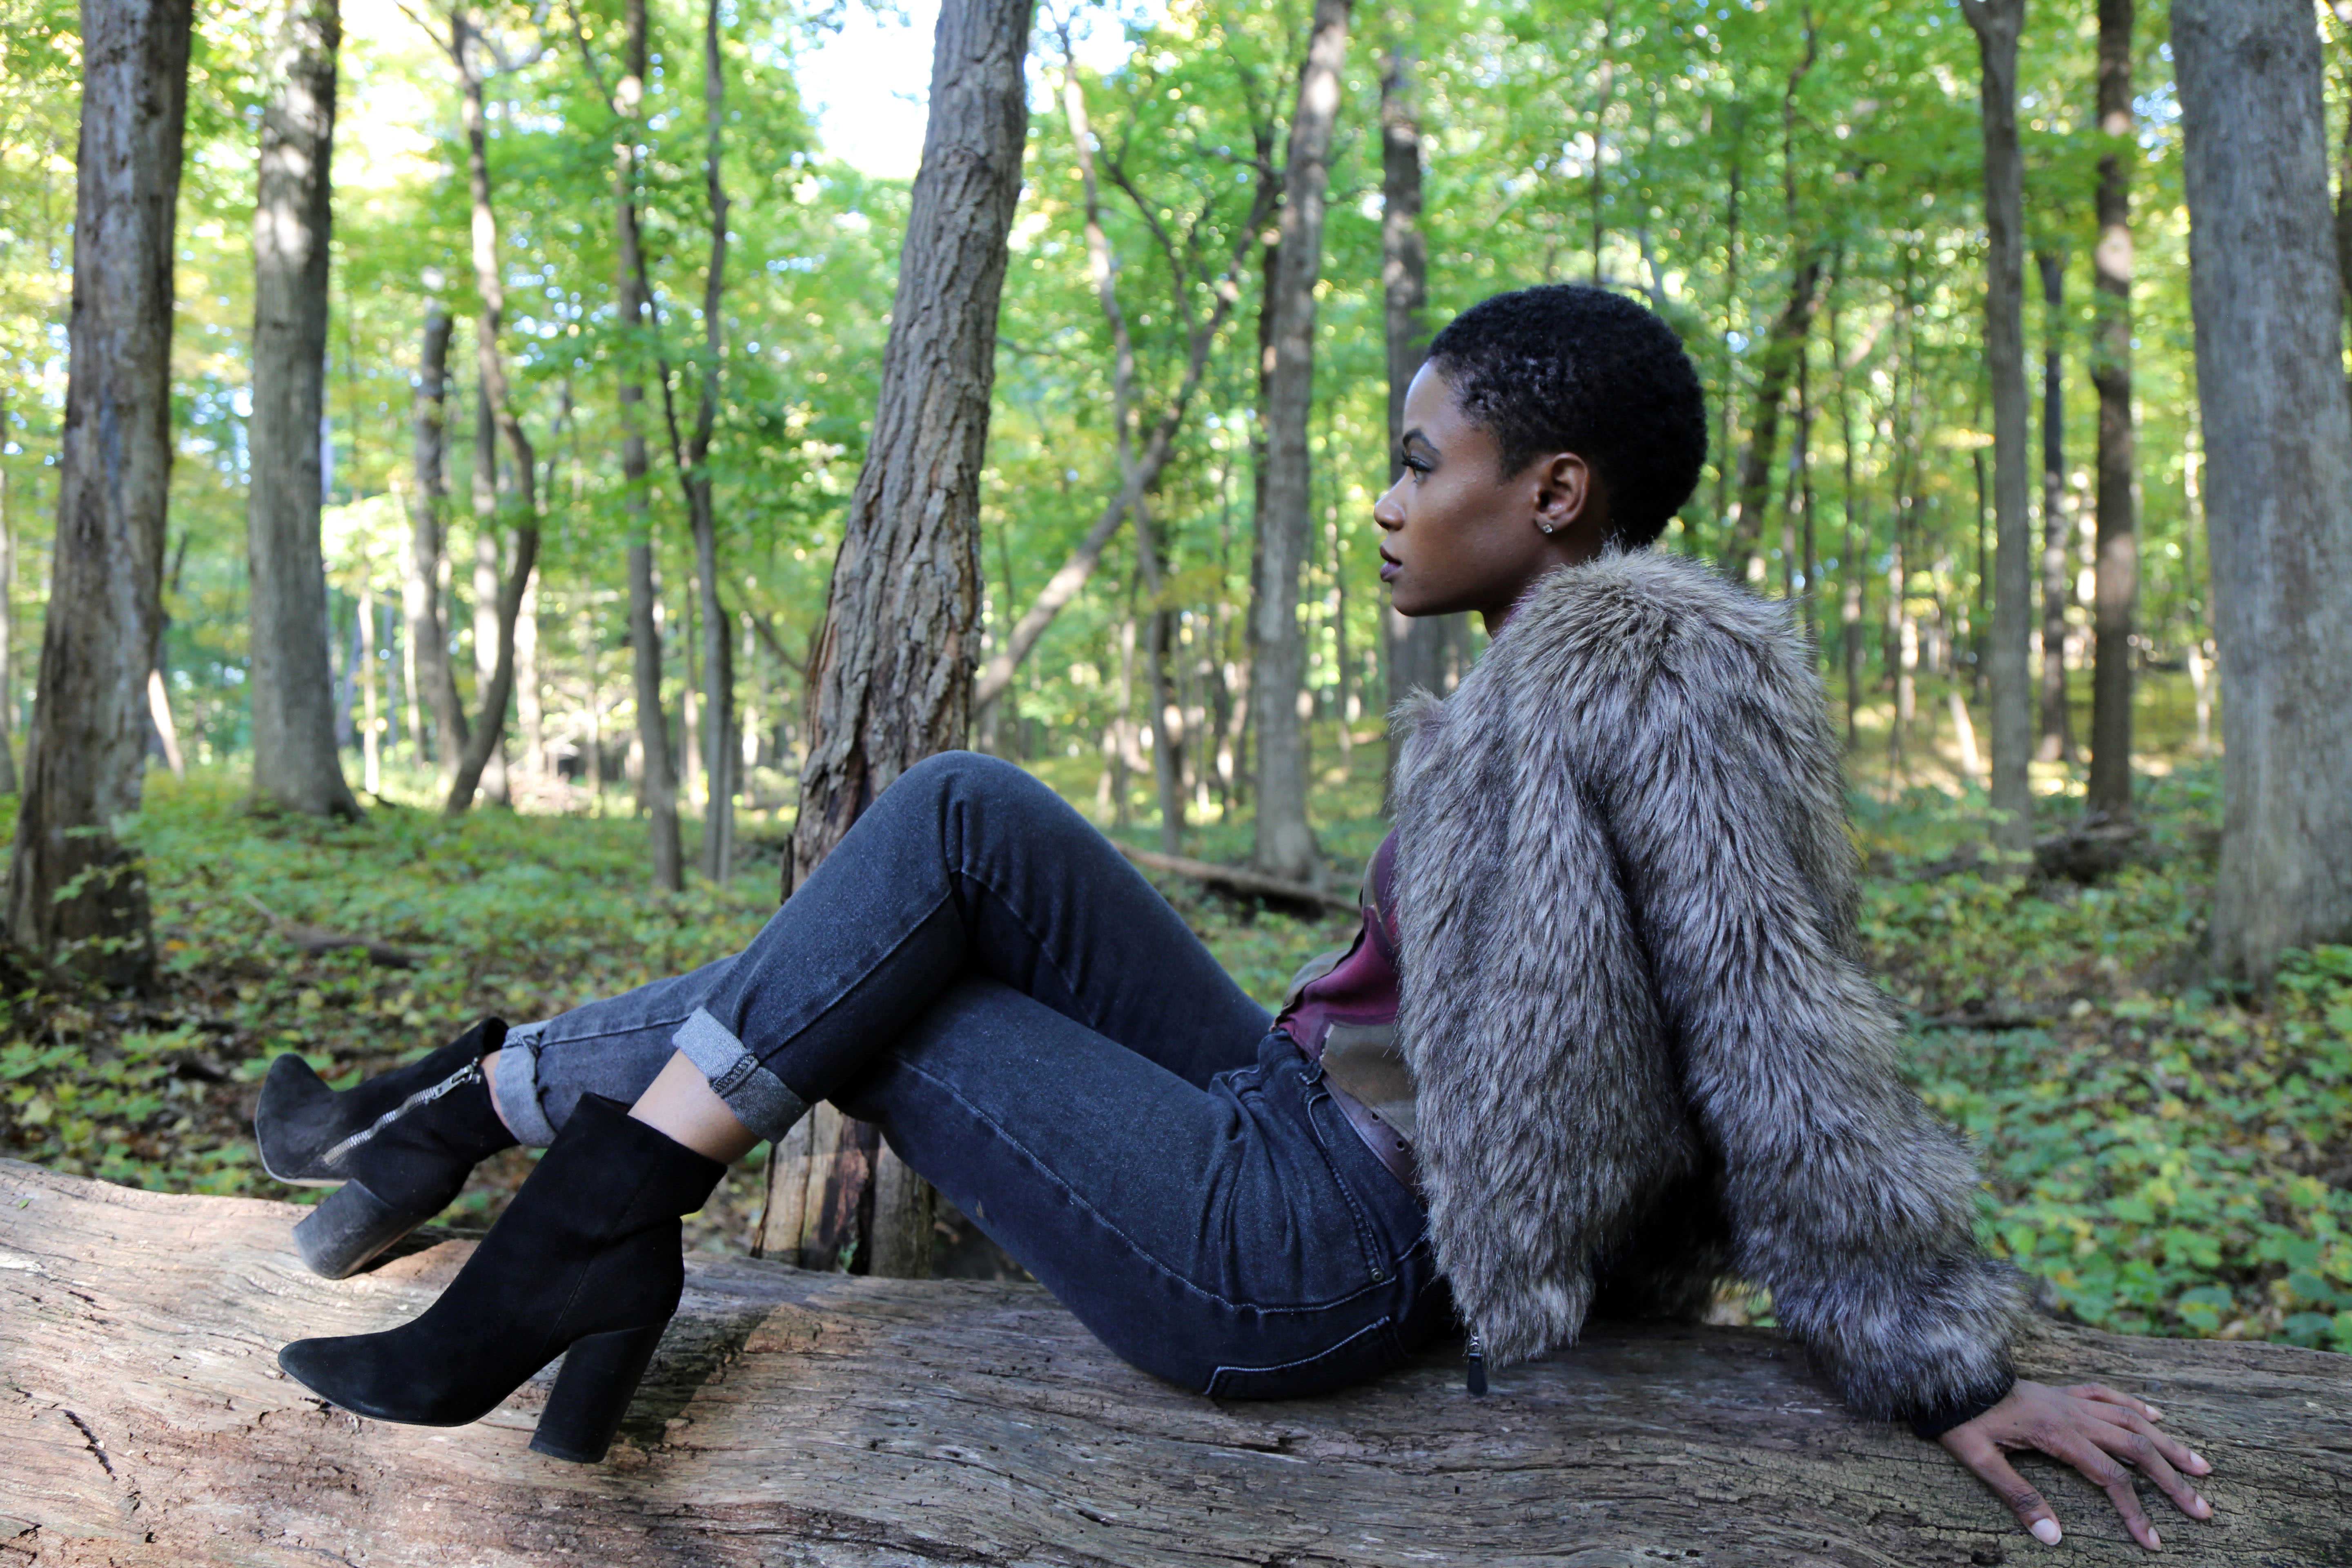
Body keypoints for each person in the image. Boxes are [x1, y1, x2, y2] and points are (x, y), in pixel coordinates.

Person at [258, 285, 2211, 1550]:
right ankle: (476, 1133)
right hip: (1293, 1122)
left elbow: (1775, 1023)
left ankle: (539, 1207)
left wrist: (1946, 1361)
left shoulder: (1658, 671)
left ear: (1550, 492)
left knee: (885, 1001)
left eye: (1419, 463)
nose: (1384, 501)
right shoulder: (1535, 679)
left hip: (1335, 1252)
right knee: (964, 824)